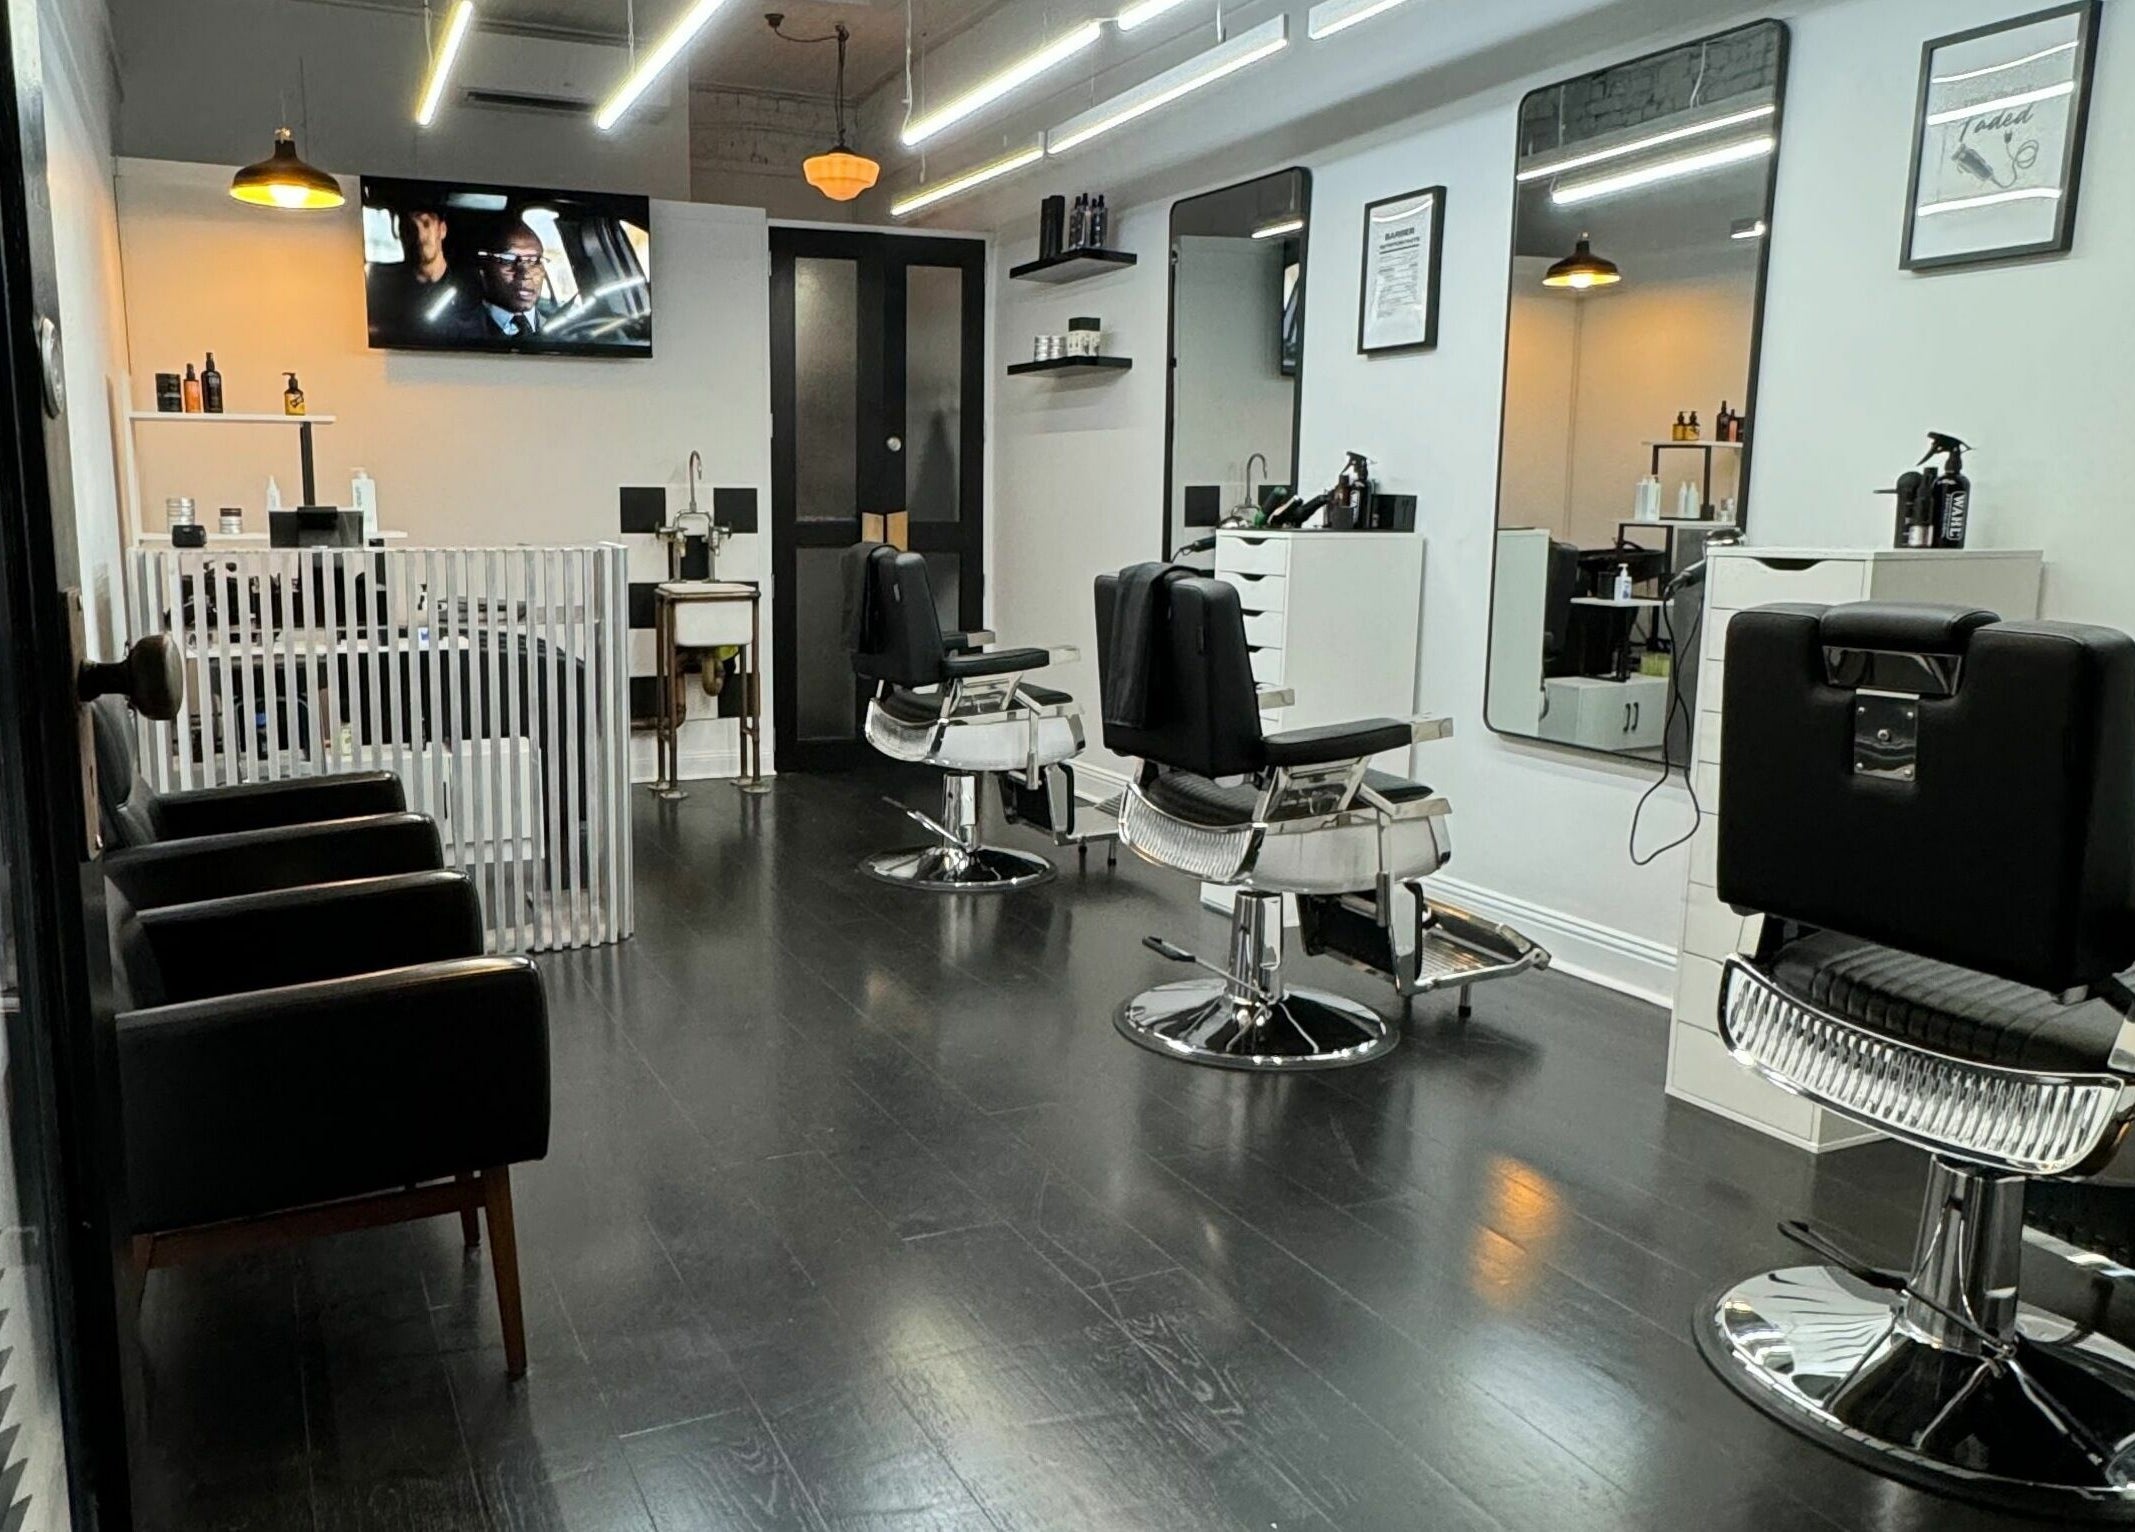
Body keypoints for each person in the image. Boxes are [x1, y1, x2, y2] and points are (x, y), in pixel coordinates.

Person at [366, 197, 473, 344]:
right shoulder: (381, 282)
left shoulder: (468, 288)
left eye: (425, 223)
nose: (419, 235)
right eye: (409, 227)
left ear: (442, 230)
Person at [470, 219, 560, 341]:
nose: (525, 273)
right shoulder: (455, 332)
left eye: (534, 261)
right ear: (483, 269)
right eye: (508, 260)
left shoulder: (561, 329)